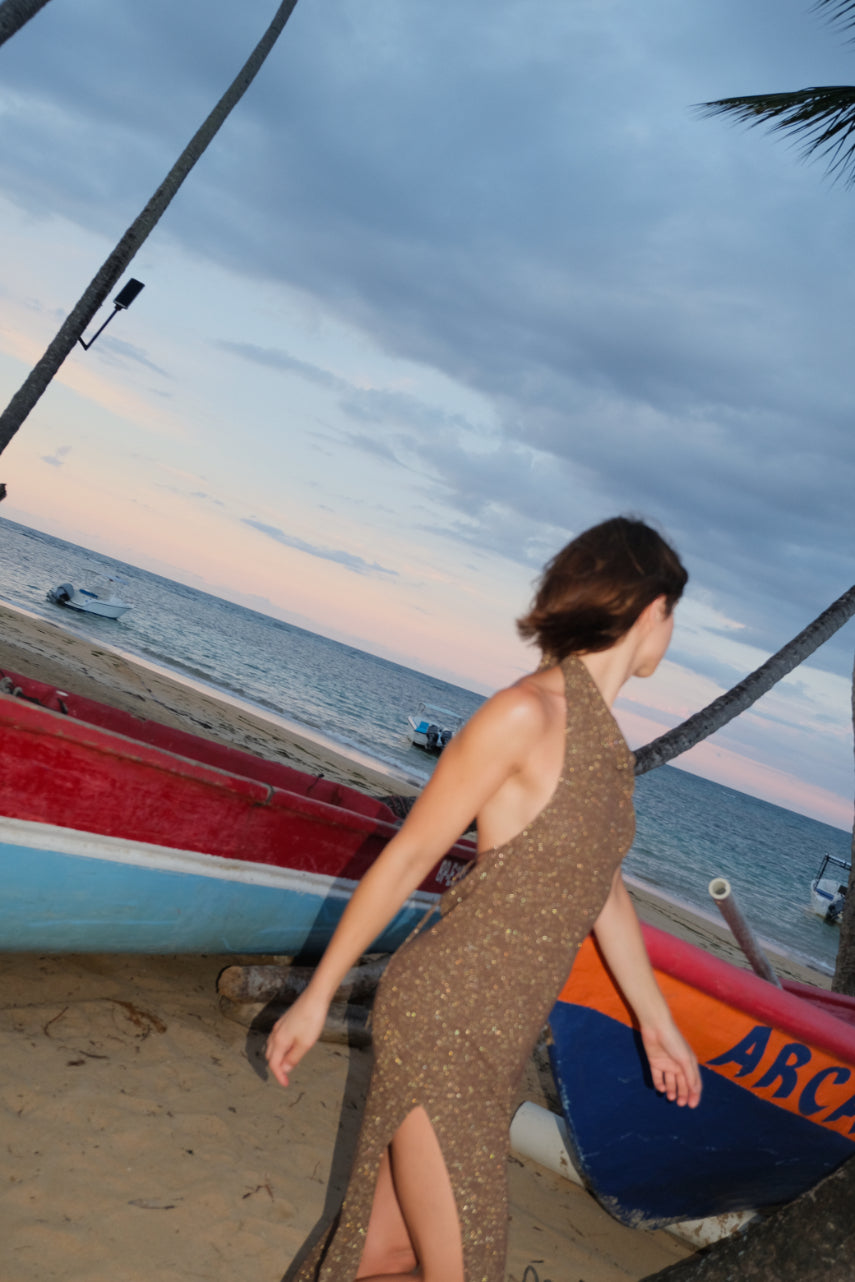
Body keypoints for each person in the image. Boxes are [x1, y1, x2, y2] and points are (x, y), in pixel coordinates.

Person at [266, 515, 702, 1282]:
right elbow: (408, 856)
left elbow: (602, 889)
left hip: (498, 1035)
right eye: (673, 616)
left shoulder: (605, 746)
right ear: (651, 609)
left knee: (385, 1254)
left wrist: (655, 1023)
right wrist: (317, 994)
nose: (671, 634)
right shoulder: (522, 713)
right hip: (445, 1019)